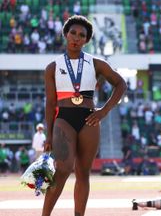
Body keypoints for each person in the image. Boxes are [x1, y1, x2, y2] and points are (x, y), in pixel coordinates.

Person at [42, 15, 127, 216]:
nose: (77, 38)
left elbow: (121, 84)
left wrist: (104, 111)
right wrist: (48, 134)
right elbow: (50, 103)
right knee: (62, 170)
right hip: (64, 118)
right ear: (65, 34)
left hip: (89, 119)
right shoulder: (52, 67)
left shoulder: (95, 63)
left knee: (83, 173)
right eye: (73, 33)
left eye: (82, 35)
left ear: (87, 40)